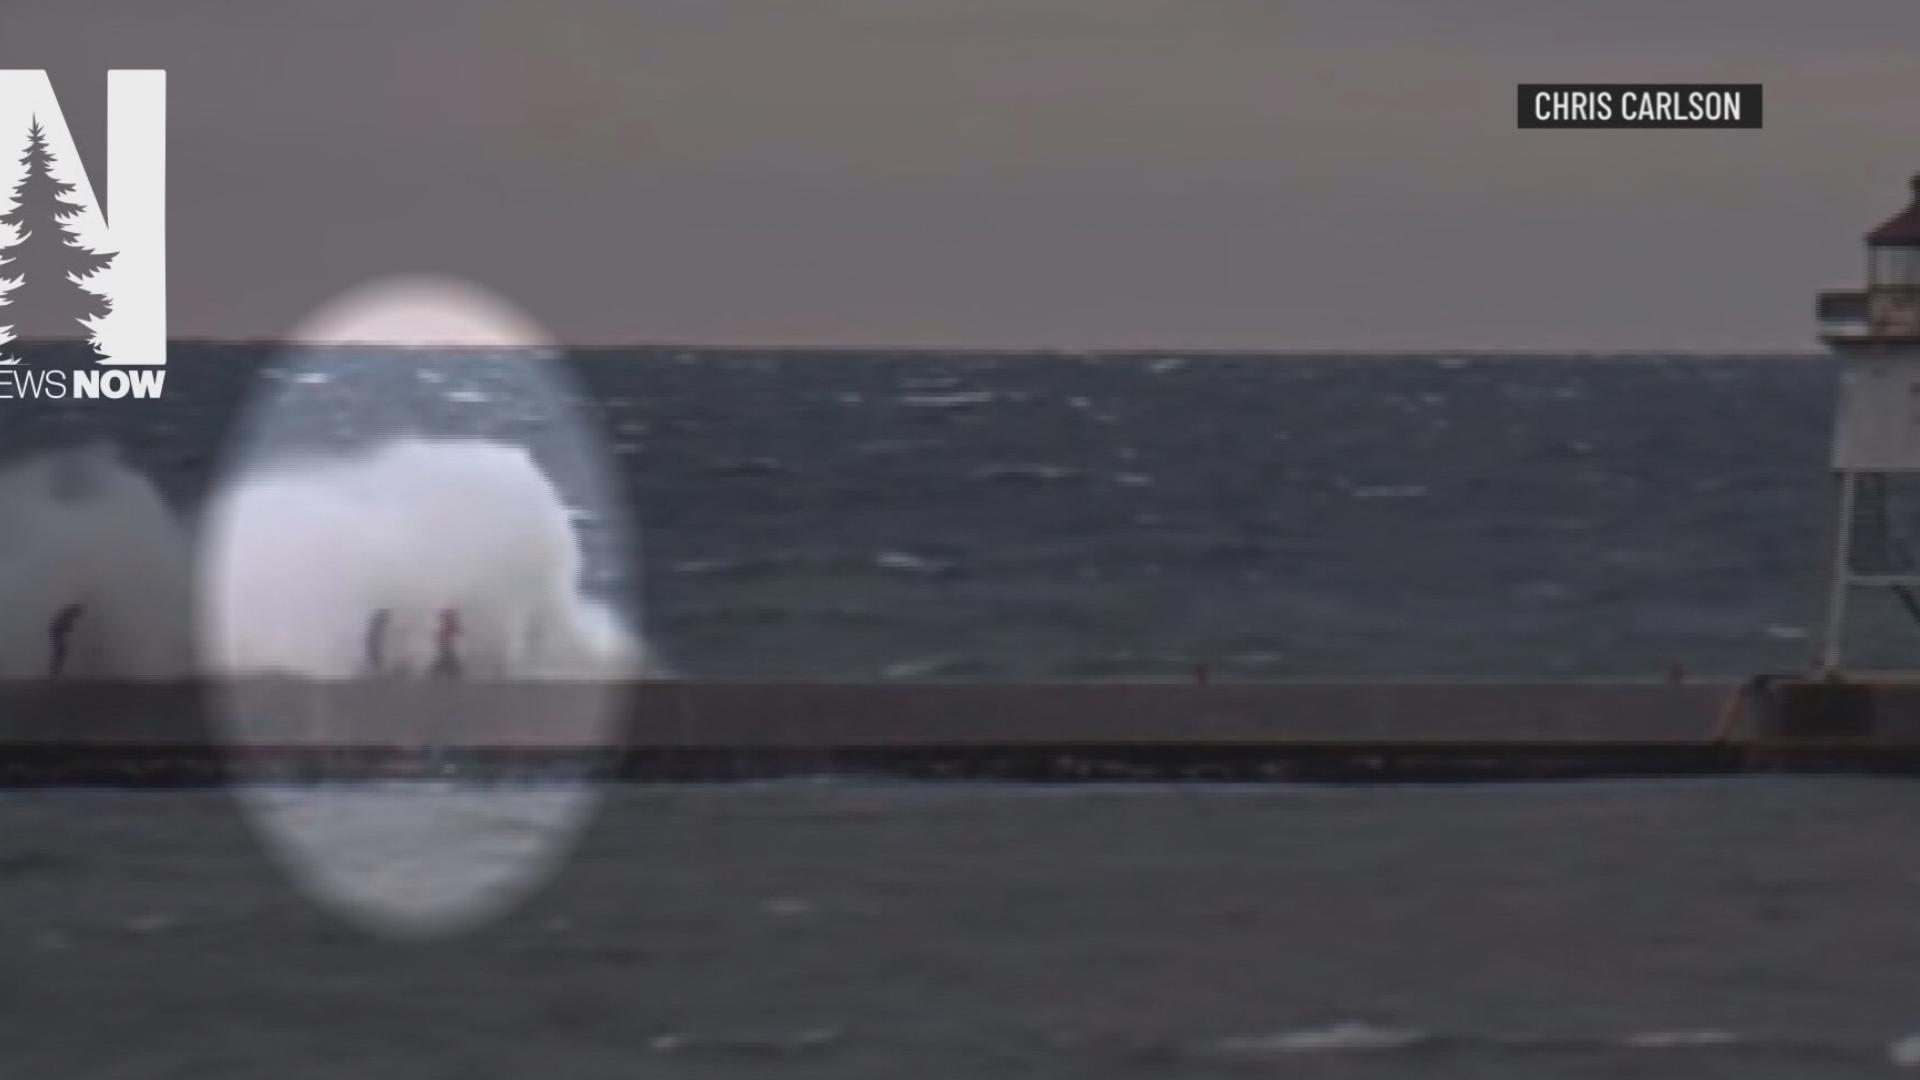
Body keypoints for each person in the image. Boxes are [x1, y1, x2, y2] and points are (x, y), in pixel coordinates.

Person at [47, 603, 83, 678]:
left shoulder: (67, 614)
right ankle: (54, 672)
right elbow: (65, 627)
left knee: (60, 651)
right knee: (60, 651)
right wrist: (68, 627)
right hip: (57, 632)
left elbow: (66, 627)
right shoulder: (67, 615)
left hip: (57, 632)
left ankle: (55, 672)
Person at [432, 608, 463, 679]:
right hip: (446, 646)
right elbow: (456, 632)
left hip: (447, 646)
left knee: (448, 657)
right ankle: (446, 670)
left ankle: (447, 670)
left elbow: (456, 631)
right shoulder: (447, 624)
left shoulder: (450, 624)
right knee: (446, 657)